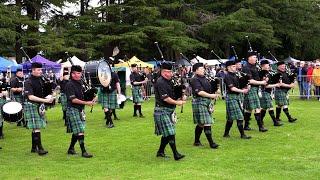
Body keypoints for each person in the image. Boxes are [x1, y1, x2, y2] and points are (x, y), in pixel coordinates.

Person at [154, 62, 186, 161]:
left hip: (169, 110)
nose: (171, 73)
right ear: (163, 72)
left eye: (171, 71)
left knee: (167, 134)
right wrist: (177, 102)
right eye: (169, 72)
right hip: (162, 110)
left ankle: (160, 151)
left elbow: (174, 93)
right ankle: (176, 154)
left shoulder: (170, 81)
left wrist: (182, 93)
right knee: (170, 132)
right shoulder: (160, 82)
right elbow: (166, 98)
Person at [65, 65, 96, 158]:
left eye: (79, 73)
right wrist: (87, 103)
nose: (78, 75)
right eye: (76, 73)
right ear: (72, 74)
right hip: (72, 109)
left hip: (80, 109)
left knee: (77, 130)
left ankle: (71, 149)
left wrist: (93, 96)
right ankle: (83, 151)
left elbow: (84, 94)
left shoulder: (81, 82)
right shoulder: (69, 84)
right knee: (80, 130)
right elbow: (73, 99)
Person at [24, 62, 54, 155]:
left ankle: (33, 148)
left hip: (39, 104)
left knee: (35, 127)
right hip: (31, 105)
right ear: (33, 70)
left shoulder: (41, 79)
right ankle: (40, 148)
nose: (40, 71)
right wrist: (45, 101)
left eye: (41, 70)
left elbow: (43, 92)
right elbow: (31, 97)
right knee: (37, 127)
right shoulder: (28, 82)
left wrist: (50, 95)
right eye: (38, 70)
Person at [190, 62, 219, 149]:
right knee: (207, 122)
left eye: (203, 68)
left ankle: (196, 141)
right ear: (196, 71)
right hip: (199, 101)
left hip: (206, 101)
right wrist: (211, 96)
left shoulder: (205, 78)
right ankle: (211, 143)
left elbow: (209, 89)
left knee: (201, 124)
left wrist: (214, 94)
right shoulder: (194, 79)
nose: (203, 70)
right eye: (201, 69)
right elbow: (199, 92)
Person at [223, 60, 251, 139]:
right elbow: (232, 88)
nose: (235, 67)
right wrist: (243, 91)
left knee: (230, 118)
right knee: (239, 116)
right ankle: (243, 135)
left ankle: (226, 134)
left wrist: (246, 86)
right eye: (233, 66)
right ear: (228, 68)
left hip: (237, 97)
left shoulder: (235, 75)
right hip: (231, 97)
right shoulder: (227, 76)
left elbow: (239, 85)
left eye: (235, 66)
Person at [242, 51, 268, 132]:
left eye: (256, 57)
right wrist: (262, 82)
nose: (256, 58)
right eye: (254, 57)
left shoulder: (256, 67)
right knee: (257, 107)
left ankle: (246, 126)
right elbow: (250, 80)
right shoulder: (246, 67)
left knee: (249, 109)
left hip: (256, 89)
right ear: (249, 58)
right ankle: (260, 127)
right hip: (251, 89)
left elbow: (257, 77)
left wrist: (263, 78)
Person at [259, 60, 283, 126]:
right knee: (270, 107)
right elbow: (266, 86)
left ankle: (260, 120)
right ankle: (275, 122)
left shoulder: (268, 73)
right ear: (263, 66)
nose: (269, 66)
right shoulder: (262, 74)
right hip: (264, 92)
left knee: (264, 107)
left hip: (268, 92)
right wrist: (276, 85)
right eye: (267, 64)